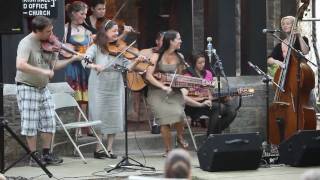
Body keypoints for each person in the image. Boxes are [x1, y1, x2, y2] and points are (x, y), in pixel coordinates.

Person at [15, 16, 82, 166]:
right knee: (30, 124)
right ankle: (34, 156)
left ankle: (46, 154)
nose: (51, 34)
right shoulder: (26, 43)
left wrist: (72, 59)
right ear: (37, 31)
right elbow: (20, 65)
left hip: (43, 88)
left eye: (51, 30)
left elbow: (54, 65)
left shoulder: (49, 42)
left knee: (49, 121)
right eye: (47, 32)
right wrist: (43, 72)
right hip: (27, 86)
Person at [84, 19, 146, 159]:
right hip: (99, 85)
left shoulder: (119, 48)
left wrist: (137, 60)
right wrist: (95, 66)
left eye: (118, 31)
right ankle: (98, 149)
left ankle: (109, 149)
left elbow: (128, 67)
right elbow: (85, 60)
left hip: (115, 85)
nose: (116, 34)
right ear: (105, 31)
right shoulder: (96, 47)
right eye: (114, 31)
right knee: (99, 115)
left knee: (114, 115)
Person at [145, 30, 211, 156]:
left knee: (180, 114)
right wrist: (162, 87)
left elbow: (180, 76)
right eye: (178, 39)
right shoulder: (156, 56)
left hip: (174, 91)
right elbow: (149, 76)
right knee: (164, 121)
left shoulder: (180, 57)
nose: (181, 41)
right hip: (157, 92)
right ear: (171, 41)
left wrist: (189, 84)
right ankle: (168, 150)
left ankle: (180, 137)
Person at [64, 1, 92, 137]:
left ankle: (85, 126)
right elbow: (62, 49)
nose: (84, 17)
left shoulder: (86, 30)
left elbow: (91, 48)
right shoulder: (65, 29)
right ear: (73, 13)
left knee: (85, 98)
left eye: (85, 14)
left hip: (84, 67)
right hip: (72, 66)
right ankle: (76, 129)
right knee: (75, 97)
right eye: (82, 14)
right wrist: (74, 53)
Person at [184, 53, 214, 128]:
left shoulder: (208, 73)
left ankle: (213, 134)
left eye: (203, 62)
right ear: (193, 63)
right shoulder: (187, 76)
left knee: (229, 111)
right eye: (199, 63)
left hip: (207, 103)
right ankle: (212, 134)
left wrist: (210, 96)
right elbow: (185, 96)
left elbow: (210, 90)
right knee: (218, 109)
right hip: (193, 105)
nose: (202, 64)